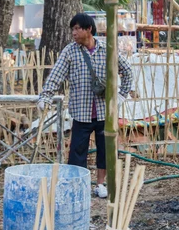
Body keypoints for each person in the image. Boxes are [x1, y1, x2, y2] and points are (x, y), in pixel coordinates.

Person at [37, 13, 133, 198]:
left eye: (77, 28)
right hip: (81, 112)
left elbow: (127, 70)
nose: (73, 33)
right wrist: (45, 97)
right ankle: (78, 186)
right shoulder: (70, 51)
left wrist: (122, 95)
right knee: (77, 151)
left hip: (105, 112)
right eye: (72, 29)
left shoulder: (107, 49)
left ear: (89, 29)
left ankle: (100, 184)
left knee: (105, 150)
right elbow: (56, 75)